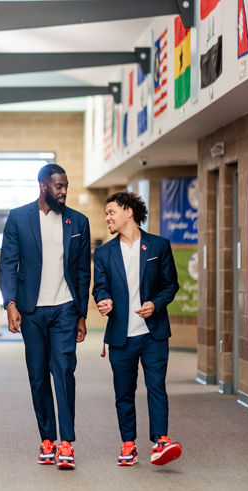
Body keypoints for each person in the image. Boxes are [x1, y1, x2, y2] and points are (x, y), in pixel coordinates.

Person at [0, 163, 91, 469]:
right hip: (31, 311)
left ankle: (66, 443)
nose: (64, 191)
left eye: (66, 186)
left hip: (65, 308)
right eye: (58, 186)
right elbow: (8, 263)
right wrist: (10, 303)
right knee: (38, 377)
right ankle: (47, 440)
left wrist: (81, 314)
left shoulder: (78, 221)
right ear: (43, 186)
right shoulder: (19, 217)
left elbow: (81, 272)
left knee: (63, 371)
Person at [92, 191, 181, 467]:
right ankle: (128, 444)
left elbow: (171, 285)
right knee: (124, 392)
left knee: (156, 386)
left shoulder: (158, 246)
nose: (107, 217)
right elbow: (100, 287)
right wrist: (103, 300)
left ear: (128, 212)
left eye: (111, 212)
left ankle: (161, 440)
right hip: (121, 335)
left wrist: (155, 304)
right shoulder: (104, 253)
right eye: (106, 213)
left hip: (153, 333)